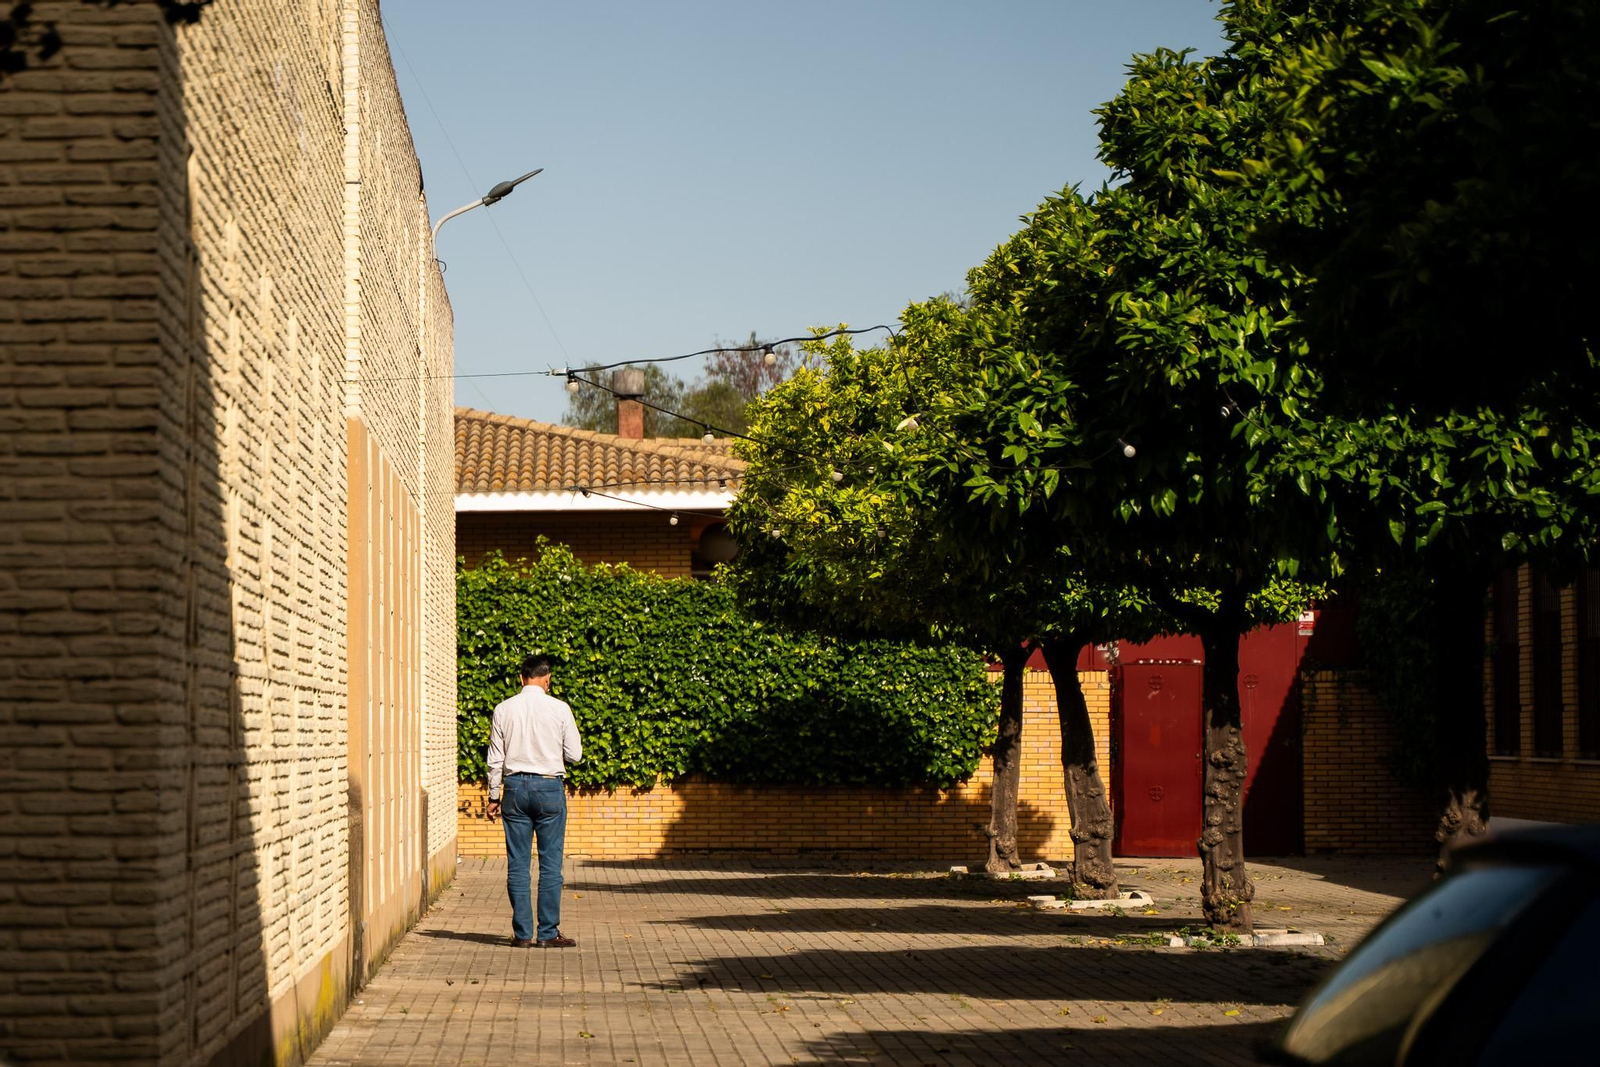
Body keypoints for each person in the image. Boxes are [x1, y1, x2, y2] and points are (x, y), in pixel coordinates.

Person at [486, 654, 583, 948]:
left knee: (518, 864)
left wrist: (493, 796)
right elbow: (575, 754)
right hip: (549, 788)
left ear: (521, 678)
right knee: (550, 865)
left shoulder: (503, 709)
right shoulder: (560, 708)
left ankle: (522, 934)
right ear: (547, 678)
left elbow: (495, 760)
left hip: (514, 788)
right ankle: (548, 932)